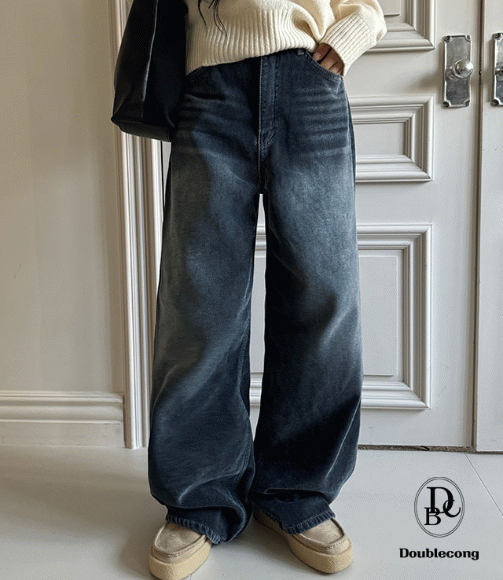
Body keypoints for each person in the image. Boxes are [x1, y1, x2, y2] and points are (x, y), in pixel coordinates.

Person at [147, 0, 387, 578]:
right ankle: (199, 498)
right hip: (211, 88)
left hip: (310, 82)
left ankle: (297, 492)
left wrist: (354, 31)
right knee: (199, 307)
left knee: (323, 300)